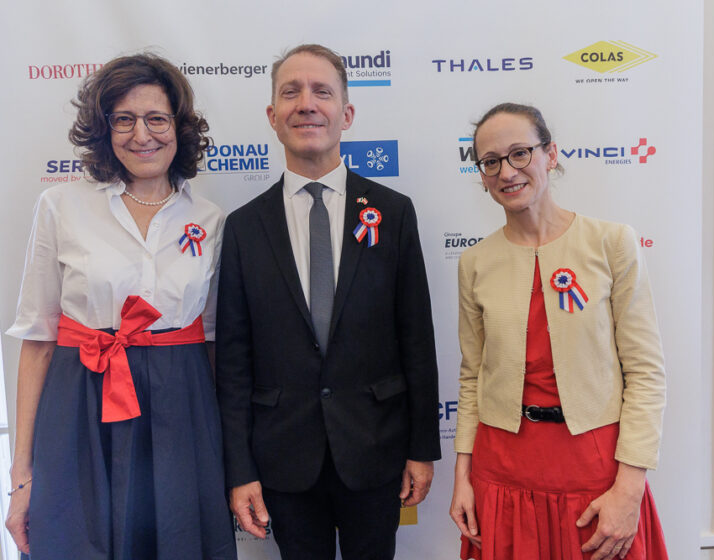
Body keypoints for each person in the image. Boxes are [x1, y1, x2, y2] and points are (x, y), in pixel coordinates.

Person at [5, 53, 237, 559]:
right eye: (124, 120)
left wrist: (230, 459)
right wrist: (21, 473)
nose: (142, 135)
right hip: (79, 405)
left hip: (182, 407)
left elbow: (216, 345)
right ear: (103, 128)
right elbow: (38, 341)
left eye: (156, 119)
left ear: (179, 127)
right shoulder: (61, 206)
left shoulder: (210, 219)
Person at [216, 44, 441, 560]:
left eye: (322, 91)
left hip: (375, 449)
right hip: (283, 459)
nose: (306, 104)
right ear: (272, 116)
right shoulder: (245, 227)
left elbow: (417, 339)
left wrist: (422, 448)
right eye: (290, 92)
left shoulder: (393, 213)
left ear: (347, 113)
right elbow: (232, 362)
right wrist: (239, 469)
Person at [449, 103, 668, 560]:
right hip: (501, 473)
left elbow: (646, 374)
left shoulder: (612, 243)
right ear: (482, 176)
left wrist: (629, 489)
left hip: (595, 474)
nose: (507, 172)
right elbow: (472, 378)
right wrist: (463, 478)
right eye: (491, 162)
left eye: (520, 153)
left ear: (550, 154)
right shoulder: (474, 263)